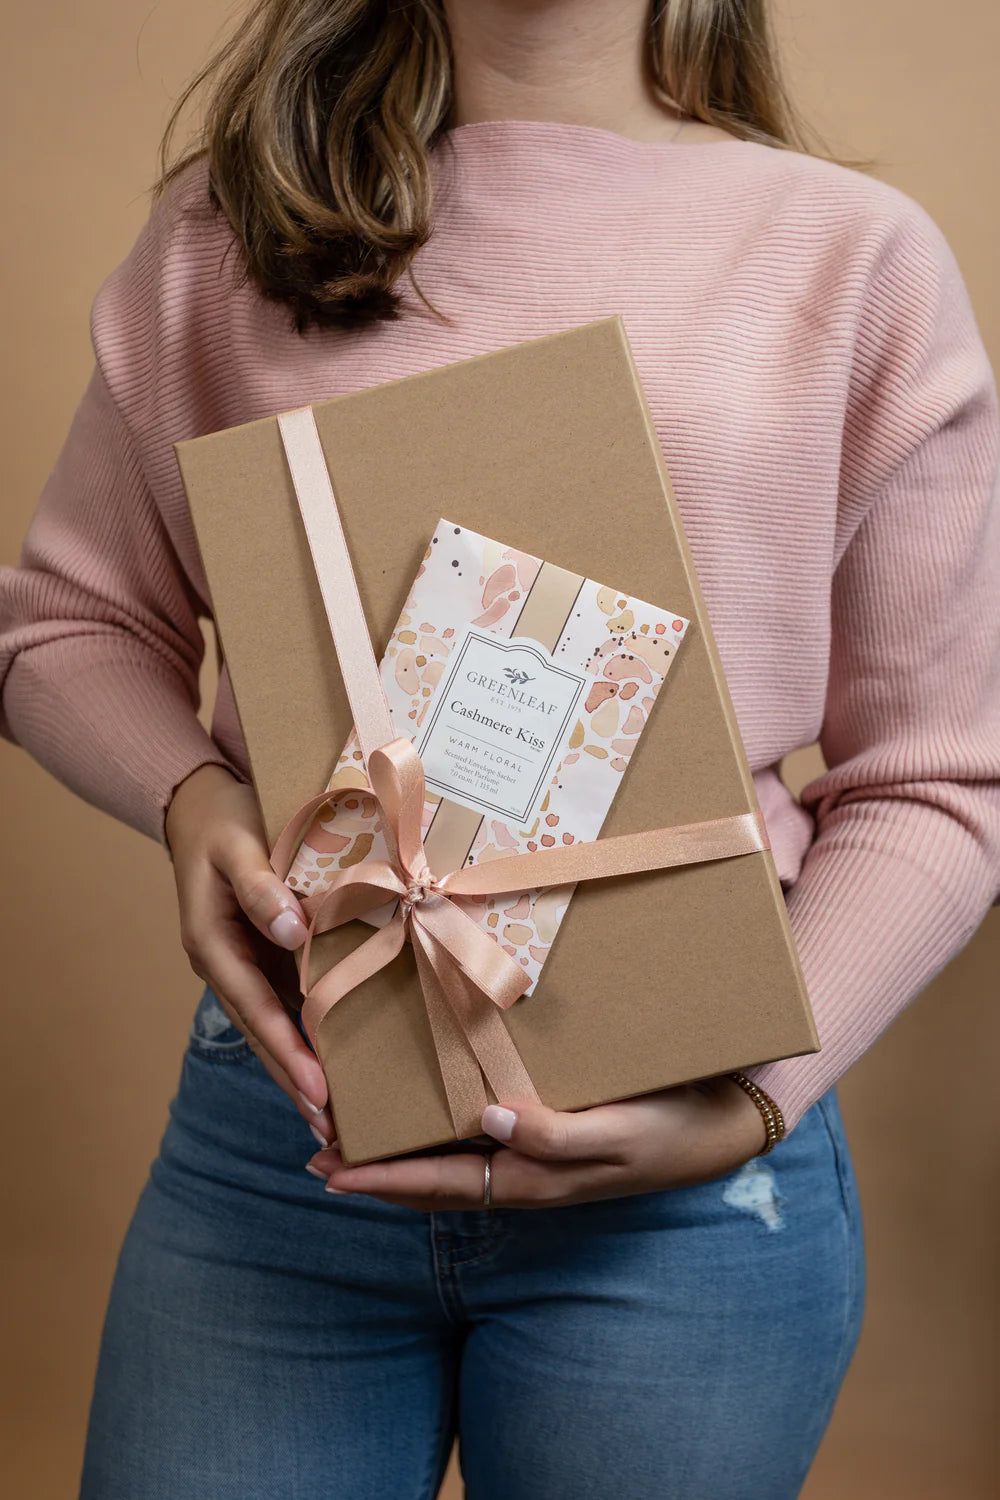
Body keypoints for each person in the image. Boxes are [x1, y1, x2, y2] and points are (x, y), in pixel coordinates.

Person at [2, 1, 998, 1495]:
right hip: (286, 1144)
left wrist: (742, 1107)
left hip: (694, 1184)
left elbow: (939, 777)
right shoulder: (231, 235)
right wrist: (193, 798)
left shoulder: (853, 259)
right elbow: (64, 619)